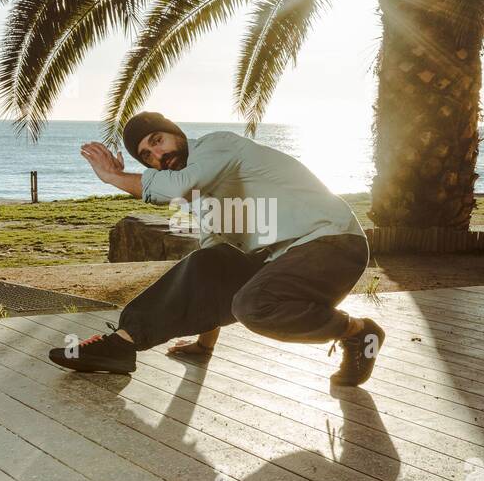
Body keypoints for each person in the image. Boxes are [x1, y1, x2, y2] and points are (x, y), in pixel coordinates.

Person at [47, 111, 384, 387]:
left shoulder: (218, 146)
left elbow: (177, 186)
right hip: (280, 260)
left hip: (334, 243)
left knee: (252, 306)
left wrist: (113, 178)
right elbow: (212, 276)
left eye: (157, 141)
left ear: (174, 132)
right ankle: (122, 343)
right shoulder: (201, 201)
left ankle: (358, 331)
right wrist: (203, 345)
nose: (159, 155)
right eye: (148, 157)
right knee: (208, 259)